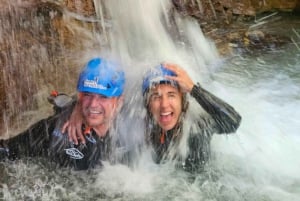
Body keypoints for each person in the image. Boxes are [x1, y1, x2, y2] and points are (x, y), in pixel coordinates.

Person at [0, 57, 126, 170]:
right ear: (80, 96)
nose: (93, 104)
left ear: (120, 101)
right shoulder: (56, 129)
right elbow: (6, 149)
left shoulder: (133, 132)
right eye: (87, 94)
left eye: (103, 97)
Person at [142, 63, 241, 172]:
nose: (164, 104)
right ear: (148, 104)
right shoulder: (141, 130)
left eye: (171, 95)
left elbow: (233, 121)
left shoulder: (197, 126)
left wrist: (193, 89)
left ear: (182, 101)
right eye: (156, 97)